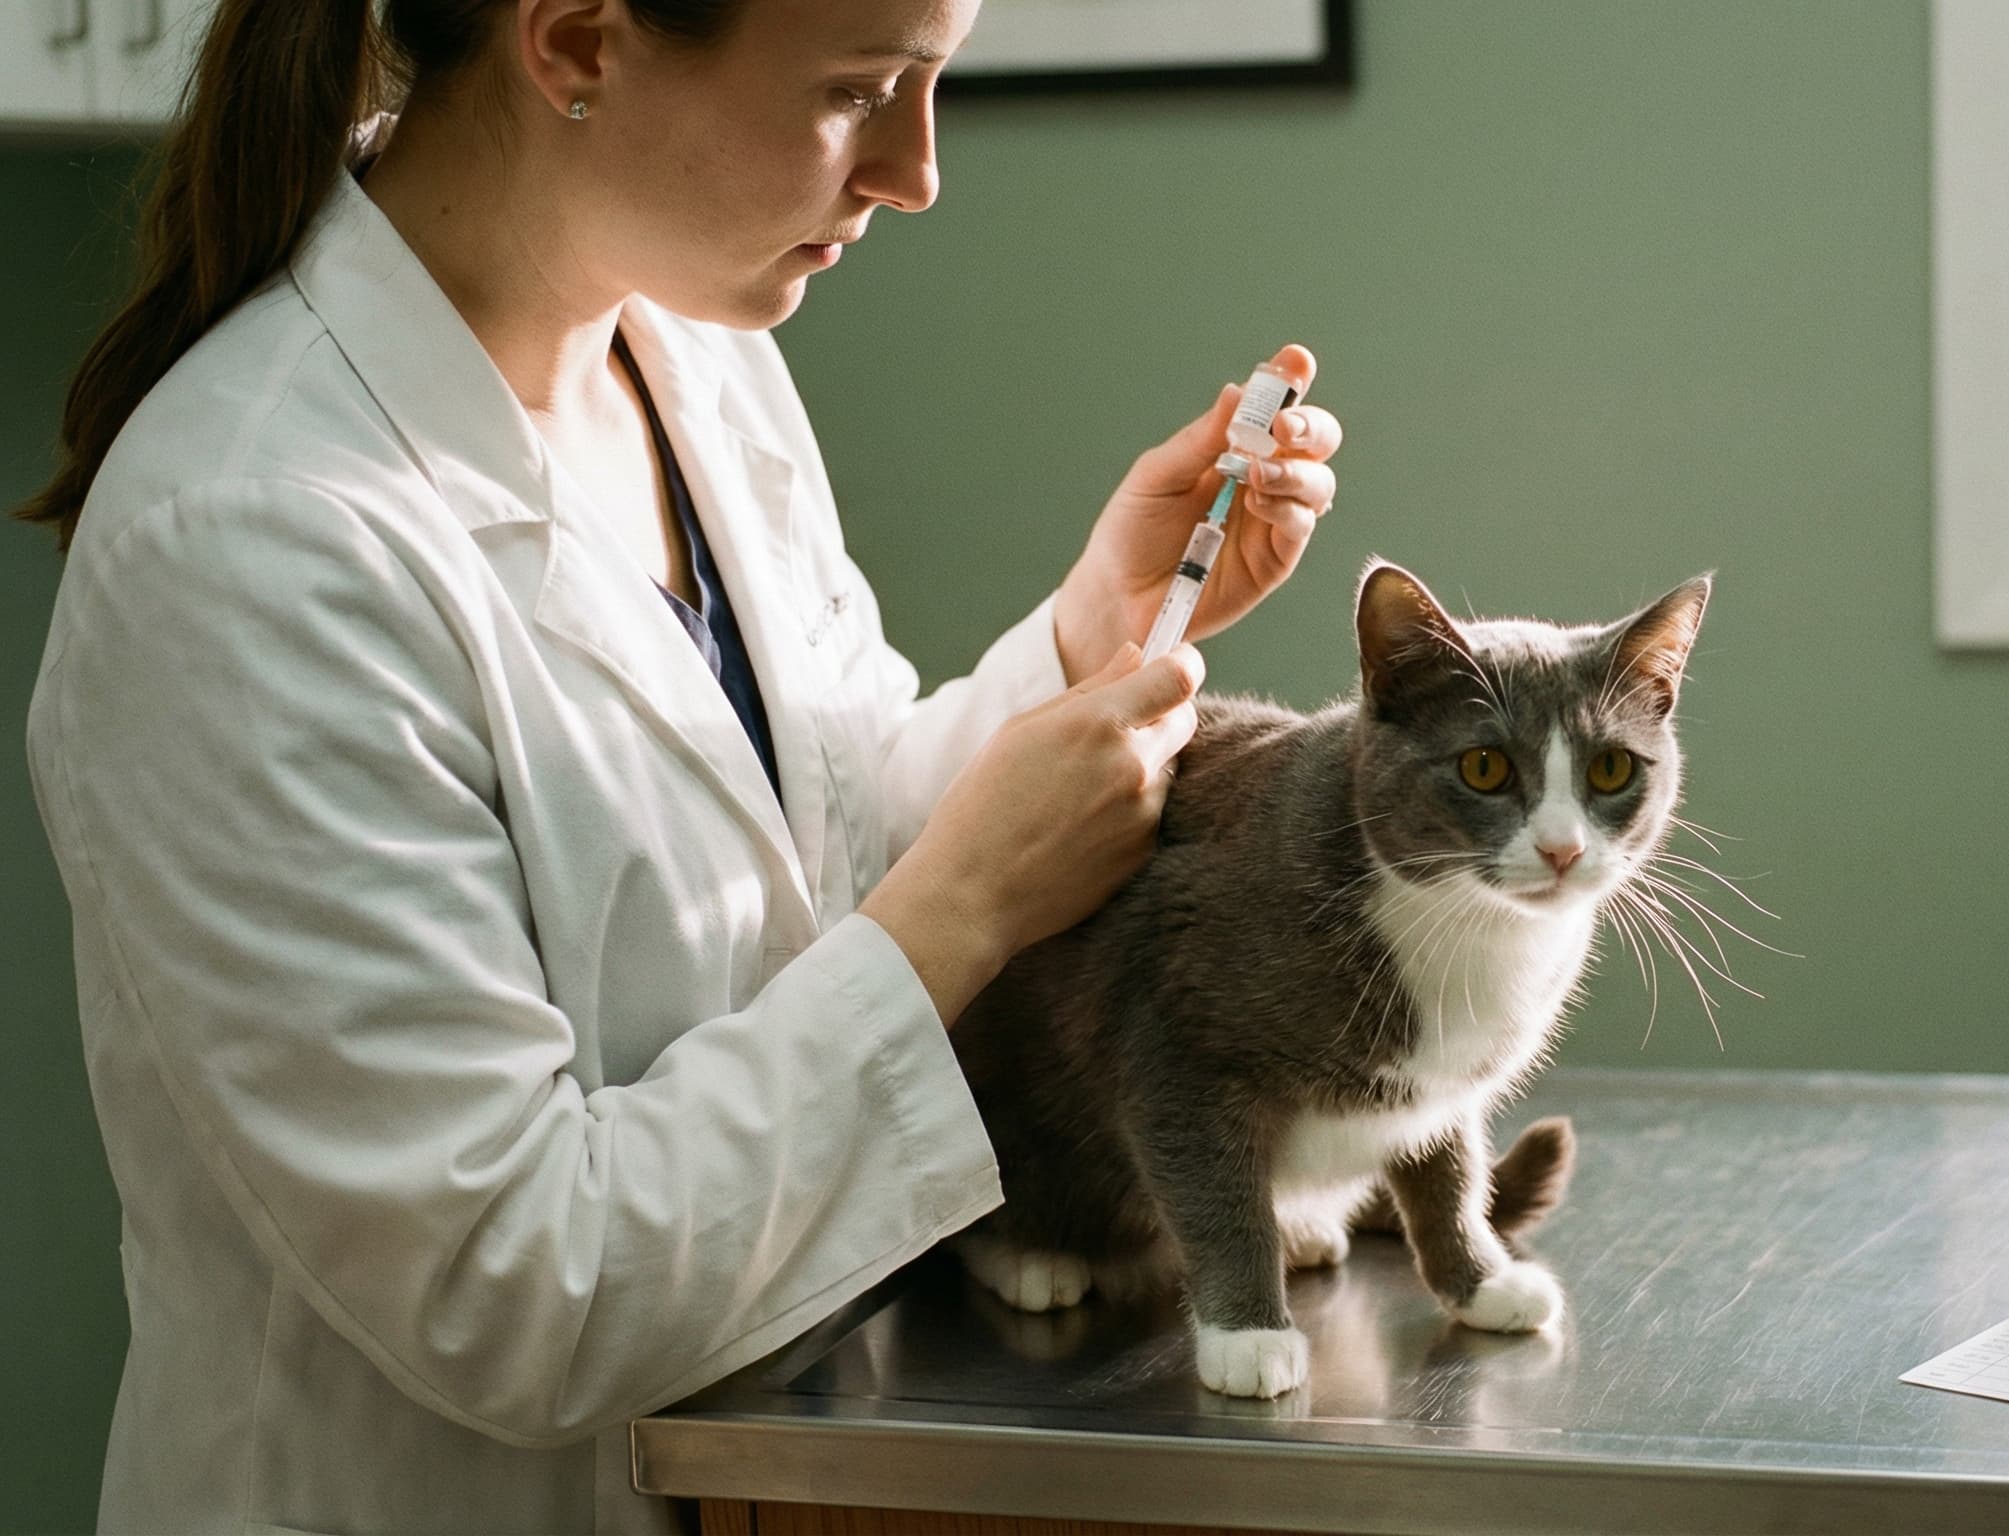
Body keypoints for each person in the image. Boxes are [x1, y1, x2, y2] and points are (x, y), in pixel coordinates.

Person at [16, 0, 1341, 1529]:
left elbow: (815, 870)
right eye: (863, 89)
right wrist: (973, 903)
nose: (915, 170)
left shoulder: (694, 363)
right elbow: (513, 1287)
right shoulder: (249, 540)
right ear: (576, 41)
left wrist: (1082, 635)